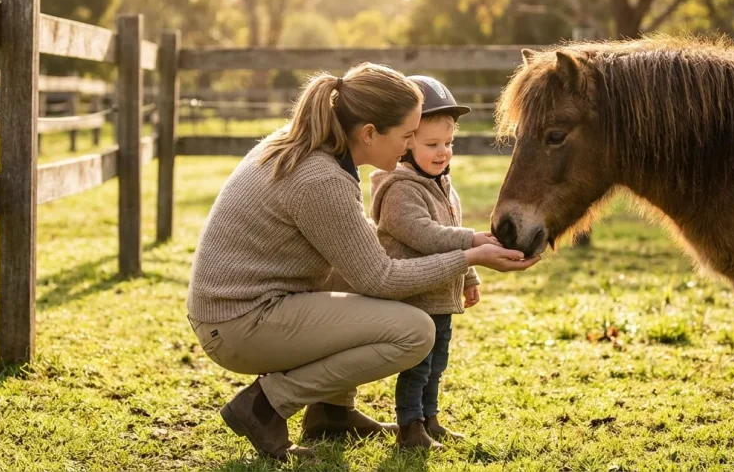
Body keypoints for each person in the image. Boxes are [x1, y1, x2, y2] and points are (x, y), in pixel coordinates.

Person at [186, 63, 540, 460]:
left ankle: (333, 413)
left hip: (241, 311)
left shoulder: (310, 146)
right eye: (406, 136)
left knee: (357, 271)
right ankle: (264, 405)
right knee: (416, 333)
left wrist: (466, 254)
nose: (409, 147)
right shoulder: (320, 178)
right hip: (239, 325)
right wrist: (469, 256)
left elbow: (363, 254)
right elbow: (381, 278)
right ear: (369, 133)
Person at [370, 75, 488, 449]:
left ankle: (430, 418)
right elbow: (426, 235)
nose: (443, 152)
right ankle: (409, 427)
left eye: (448, 143)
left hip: (441, 296)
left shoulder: (442, 184)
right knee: (417, 367)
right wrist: (475, 241)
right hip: (415, 296)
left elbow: (450, 230)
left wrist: (468, 277)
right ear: (406, 145)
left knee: (437, 365)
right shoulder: (400, 188)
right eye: (432, 144)